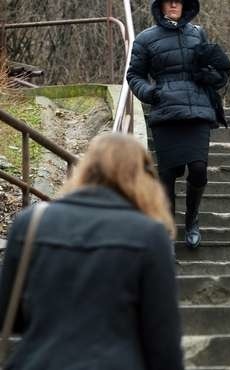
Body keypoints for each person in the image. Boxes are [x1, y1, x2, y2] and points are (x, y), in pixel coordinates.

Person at [0, 133, 184, 370]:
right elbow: (162, 340)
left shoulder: (31, 222)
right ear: (142, 177)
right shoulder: (149, 234)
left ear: (85, 168)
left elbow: (8, 314)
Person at [127, 0, 221, 249]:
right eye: (168, 1)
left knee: (199, 168)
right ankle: (168, 227)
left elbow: (209, 66)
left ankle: (192, 220)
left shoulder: (198, 33)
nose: (173, 5)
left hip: (198, 109)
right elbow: (134, 74)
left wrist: (213, 74)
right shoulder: (145, 38)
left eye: (178, 1)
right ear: (160, 5)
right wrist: (149, 92)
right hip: (166, 110)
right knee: (167, 174)